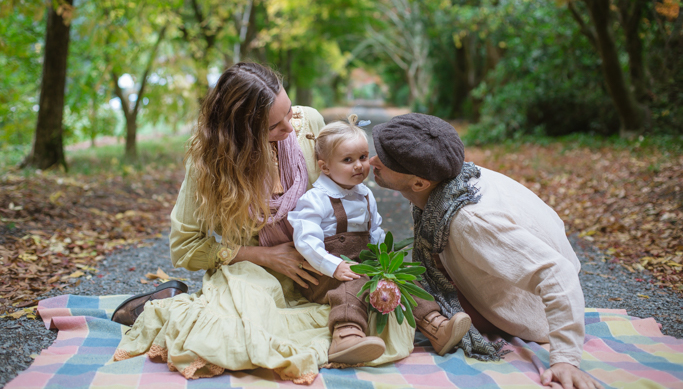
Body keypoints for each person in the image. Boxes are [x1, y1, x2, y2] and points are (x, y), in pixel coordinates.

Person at [113, 62, 330, 384]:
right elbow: (184, 246)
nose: (289, 126)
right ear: (240, 133)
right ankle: (168, 308)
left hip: (318, 263)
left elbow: (339, 189)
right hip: (254, 274)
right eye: (273, 126)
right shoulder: (210, 164)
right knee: (232, 339)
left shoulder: (307, 122)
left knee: (377, 308)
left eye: (288, 111)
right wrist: (264, 256)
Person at [369, 113, 604, 389]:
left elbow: (558, 273)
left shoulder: (469, 221)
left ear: (419, 183)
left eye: (385, 160)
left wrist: (565, 359)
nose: (373, 161)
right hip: (510, 282)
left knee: (391, 291)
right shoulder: (455, 181)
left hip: (534, 309)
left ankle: (440, 325)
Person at [288, 115, 471, 365]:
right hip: (323, 274)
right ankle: (346, 336)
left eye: (363, 157)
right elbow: (306, 241)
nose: (359, 166)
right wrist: (334, 266)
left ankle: (435, 326)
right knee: (353, 286)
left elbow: (375, 233)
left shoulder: (365, 195)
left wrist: (386, 261)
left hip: (365, 264)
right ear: (325, 167)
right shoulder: (315, 200)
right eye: (348, 160)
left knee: (404, 280)